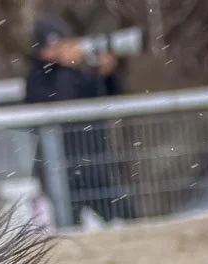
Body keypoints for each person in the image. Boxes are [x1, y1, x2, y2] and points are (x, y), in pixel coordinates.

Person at [25, 13, 137, 224]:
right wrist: (67, 66)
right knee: (67, 232)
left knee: (128, 221)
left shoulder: (77, 72)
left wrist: (107, 73)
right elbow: (60, 102)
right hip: (58, 170)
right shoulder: (37, 77)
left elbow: (110, 96)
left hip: (93, 165)